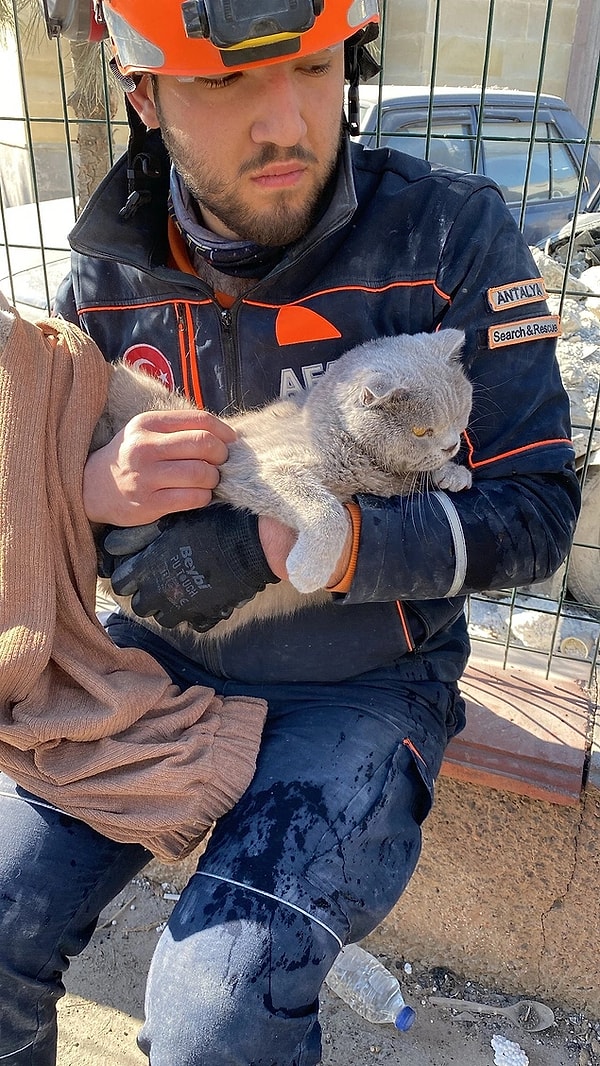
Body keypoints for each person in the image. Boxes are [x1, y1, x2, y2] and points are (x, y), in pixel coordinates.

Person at [0, 1, 580, 1063]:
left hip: (363, 684)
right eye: (223, 83)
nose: (286, 121)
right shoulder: (104, 275)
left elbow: (538, 516)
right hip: (159, 671)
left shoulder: (448, 234)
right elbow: (36, 537)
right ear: (145, 93)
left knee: (216, 1004)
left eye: (311, 67)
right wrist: (87, 493)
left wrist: (309, 544)